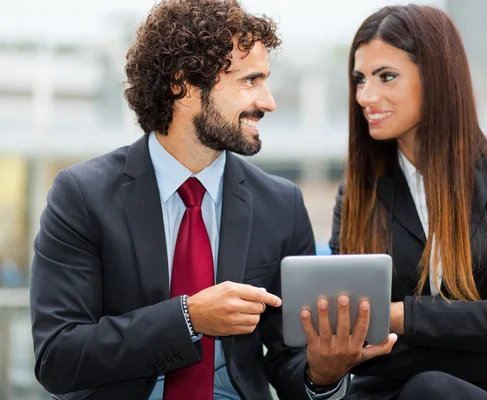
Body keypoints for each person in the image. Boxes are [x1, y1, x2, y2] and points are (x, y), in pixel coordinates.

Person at [29, 1, 395, 399]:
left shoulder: (280, 204)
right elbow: (58, 357)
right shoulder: (82, 195)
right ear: (183, 86)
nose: (268, 101)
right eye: (249, 81)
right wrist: (189, 318)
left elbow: (287, 360)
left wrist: (323, 372)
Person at [324, 5, 487, 400]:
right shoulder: (358, 194)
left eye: (386, 76)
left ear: (435, 78)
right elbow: (358, 344)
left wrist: (400, 315)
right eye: (359, 80)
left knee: (432, 388)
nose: (365, 96)